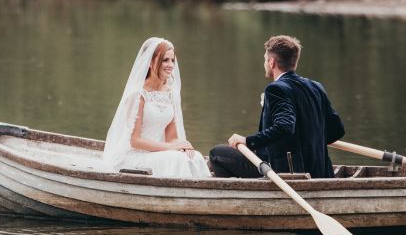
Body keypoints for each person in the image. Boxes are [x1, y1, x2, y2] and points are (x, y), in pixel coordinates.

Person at [209, 35, 344, 179]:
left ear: (272, 62)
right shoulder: (316, 87)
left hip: (285, 171)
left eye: (265, 60)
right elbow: (337, 130)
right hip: (321, 170)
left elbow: (284, 126)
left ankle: (244, 195)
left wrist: (248, 141)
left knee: (217, 154)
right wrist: (309, 139)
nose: (265, 64)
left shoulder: (275, 89)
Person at [104, 37, 212, 178]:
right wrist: (171, 148)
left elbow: (171, 138)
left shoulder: (170, 94)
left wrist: (182, 144)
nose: (171, 65)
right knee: (177, 159)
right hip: (136, 155)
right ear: (150, 62)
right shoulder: (138, 94)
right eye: (165, 60)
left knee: (195, 157)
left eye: (172, 60)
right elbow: (135, 141)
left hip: (160, 152)